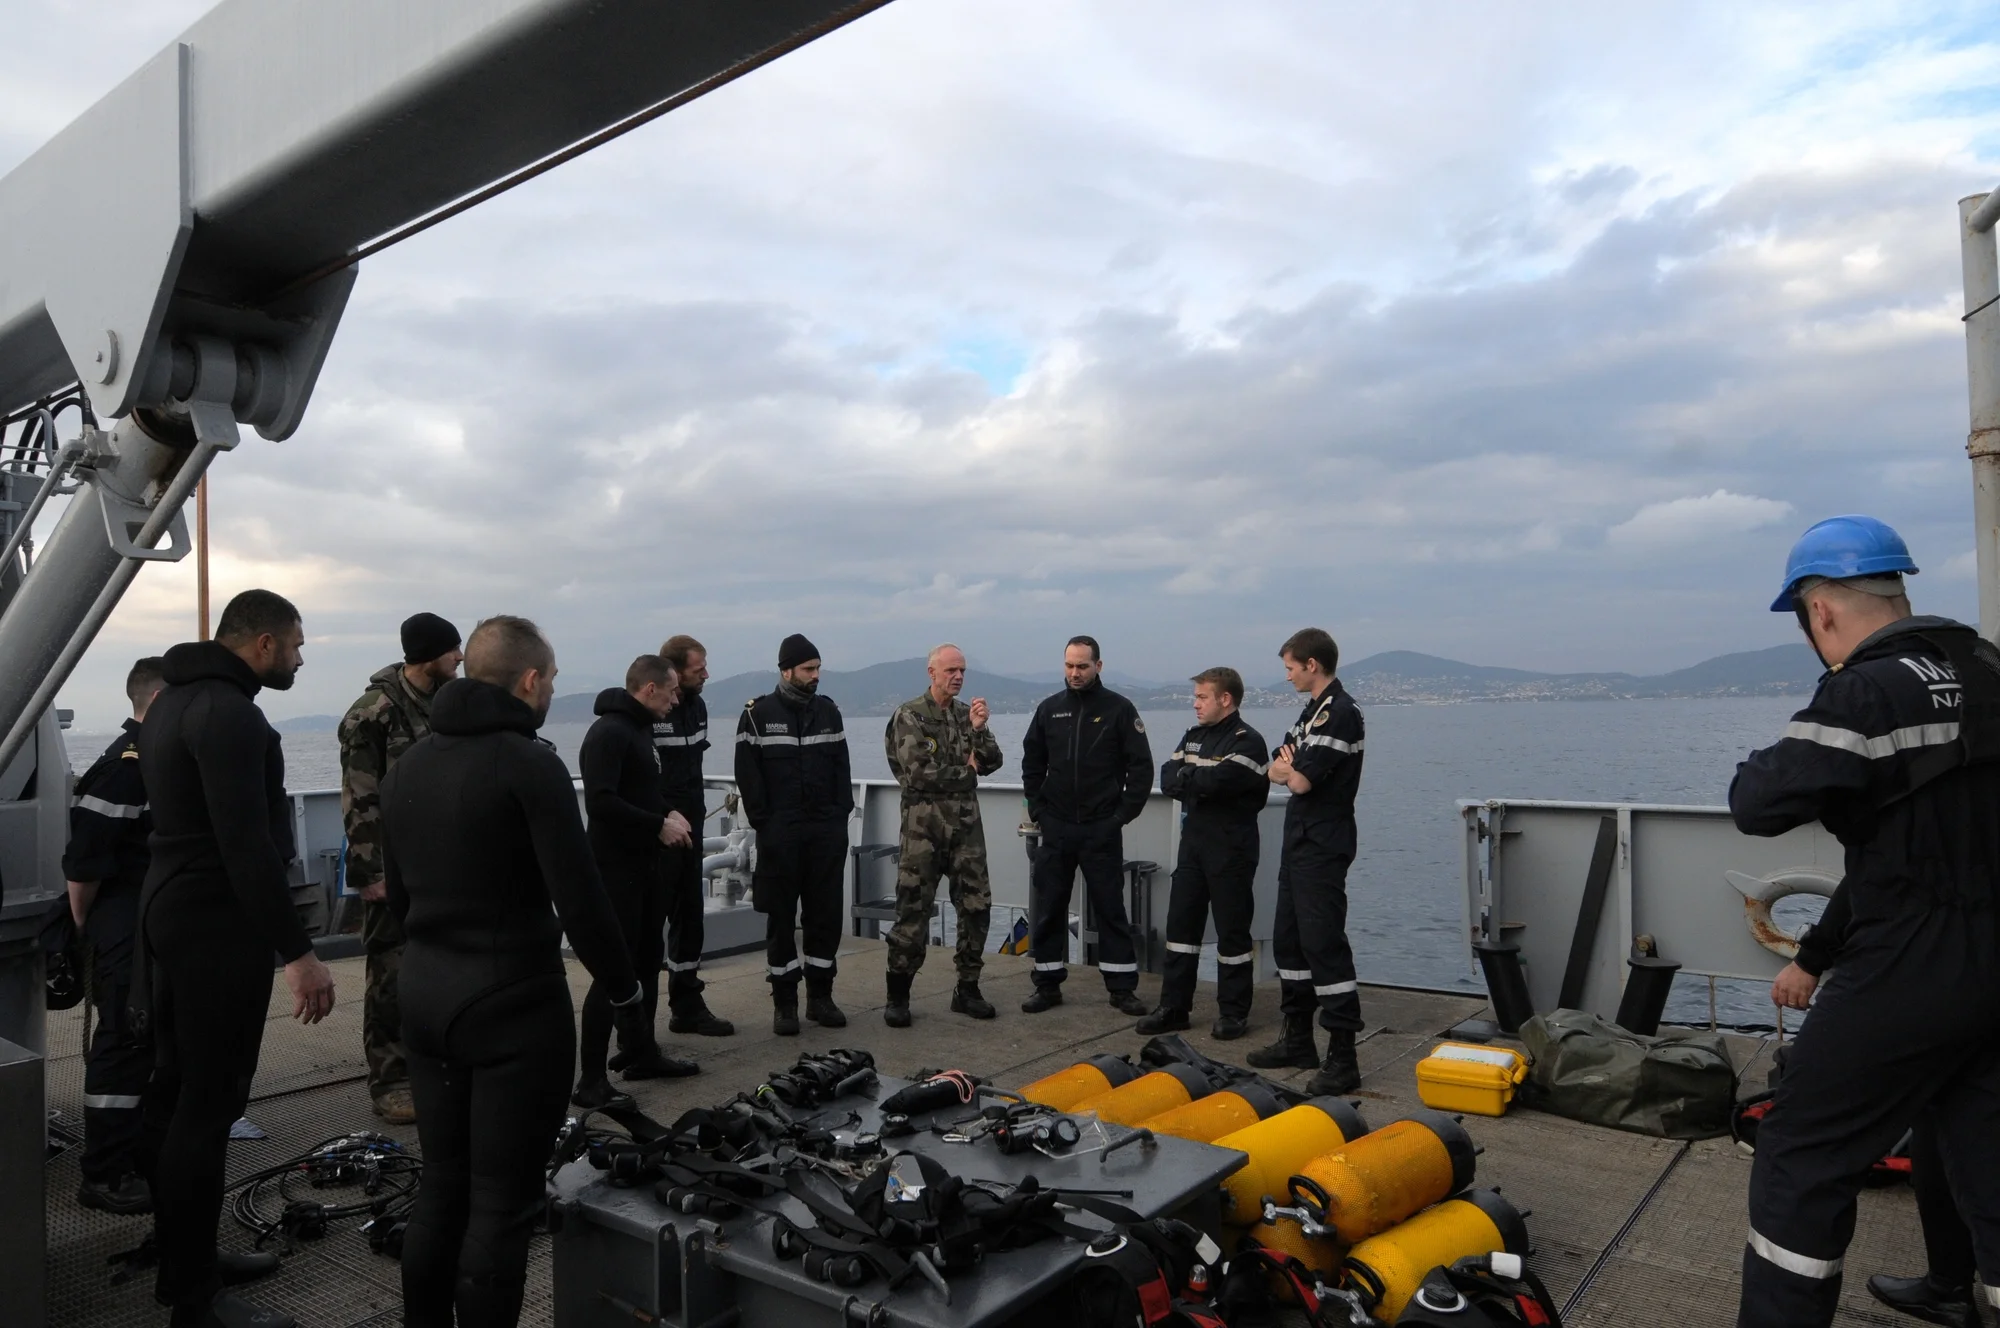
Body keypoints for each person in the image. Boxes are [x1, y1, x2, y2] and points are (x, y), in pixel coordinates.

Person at [1730, 514, 2000, 1327]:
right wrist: (1817, 953)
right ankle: (1966, 1291)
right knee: (1985, 1159)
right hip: (1992, 962)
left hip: (1909, 963)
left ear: (1821, 612)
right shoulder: (1989, 669)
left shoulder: (1865, 688)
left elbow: (1760, 802)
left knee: (1800, 1154)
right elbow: (1915, 843)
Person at [381, 615, 649, 1328]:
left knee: (442, 1187)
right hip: (511, 1004)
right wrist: (624, 987)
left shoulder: (408, 765)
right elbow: (581, 896)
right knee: (502, 1203)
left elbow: (399, 897)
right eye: (552, 680)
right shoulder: (530, 765)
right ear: (530, 680)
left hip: (426, 993)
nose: (552, 691)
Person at [139, 589, 337, 1328]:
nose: (299, 656)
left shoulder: (168, 704)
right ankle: (195, 1304)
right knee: (207, 1106)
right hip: (214, 924)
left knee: (172, 1096)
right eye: (293, 643)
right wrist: (299, 952)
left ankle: (183, 1259)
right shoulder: (230, 715)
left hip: (169, 912)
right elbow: (245, 846)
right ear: (260, 644)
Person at [1779, 892, 1981, 1328]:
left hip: (1933, 976)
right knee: (1953, 1127)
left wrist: (1810, 959)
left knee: (1804, 1141)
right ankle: (1948, 1286)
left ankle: (1948, 1287)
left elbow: (1873, 875)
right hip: (1976, 980)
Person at [336, 610, 462, 1125]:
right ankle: (390, 1081)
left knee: (440, 968)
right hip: (392, 866)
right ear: (432, 655)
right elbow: (359, 798)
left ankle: (436, 1063)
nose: (461, 659)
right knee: (390, 975)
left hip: (441, 866)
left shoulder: (447, 705)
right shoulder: (374, 712)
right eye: (454, 650)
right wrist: (370, 874)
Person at [63, 657, 165, 1215]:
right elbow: (84, 864)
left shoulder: (151, 759)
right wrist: (88, 930)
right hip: (122, 920)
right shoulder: (127, 766)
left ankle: (136, 1157)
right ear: (154, 699)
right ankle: (104, 1173)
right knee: (124, 1042)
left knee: (144, 1043)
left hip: (144, 919)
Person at [574, 654, 699, 1106]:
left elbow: (641, 792)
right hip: (616, 871)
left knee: (648, 959)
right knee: (615, 970)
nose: (675, 699)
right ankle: (590, 1081)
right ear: (649, 690)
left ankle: (642, 1051)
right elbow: (602, 803)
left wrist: (668, 811)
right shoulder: (609, 733)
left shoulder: (640, 731)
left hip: (647, 868)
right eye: (670, 692)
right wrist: (656, 825)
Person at [1246, 627, 1366, 1096]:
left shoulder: (1341, 713)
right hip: (1298, 840)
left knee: (1324, 944)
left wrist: (1289, 770)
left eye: (1291, 668)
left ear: (1311, 665)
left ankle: (1343, 1056)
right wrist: (1286, 768)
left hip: (1323, 841)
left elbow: (1298, 781)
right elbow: (1276, 764)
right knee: (1290, 943)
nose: (1289, 676)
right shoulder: (1310, 712)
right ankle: (1298, 1038)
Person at [1018, 635, 1153, 1016]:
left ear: (1098, 666)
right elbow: (1032, 764)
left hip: (1101, 829)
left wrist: (1118, 818)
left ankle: (1122, 988)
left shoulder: (1119, 710)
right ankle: (1046, 984)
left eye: (1082, 666)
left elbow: (1141, 770)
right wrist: (1040, 812)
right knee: (1049, 908)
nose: (1074, 673)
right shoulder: (1049, 710)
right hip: (1056, 828)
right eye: (1069, 666)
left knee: (1110, 909)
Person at [1139, 667, 1268, 1040]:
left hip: (1231, 850)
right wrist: (1193, 781)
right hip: (1193, 848)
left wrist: (1189, 780)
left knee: (1232, 935)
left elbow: (1223, 782)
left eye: (1201, 697)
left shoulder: (1248, 741)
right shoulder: (1193, 737)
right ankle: (1174, 1007)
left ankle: (1233, 1013)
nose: (1194, 705)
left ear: (1224, 699)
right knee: (1181, 929)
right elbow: (1167, 775)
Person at [881, 643, 1005, 1027]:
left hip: (966, 829)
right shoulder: (911, 716)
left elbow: (993, 761)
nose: (958, 677)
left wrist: (980, 732)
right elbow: (919, 773)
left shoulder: (967, 715)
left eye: (962, 671)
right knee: (913, 910)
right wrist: (967, 773)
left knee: (976, 906)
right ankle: (898, 995)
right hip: (924, 831)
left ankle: (967, 988)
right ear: (931, 672)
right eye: (951, 670)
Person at [735, 633, 852, 1035]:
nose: (816, 676)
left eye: (818, 668)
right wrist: (767, 825)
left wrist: (839, 819)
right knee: (781, 920)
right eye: (808, 669)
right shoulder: (756, 714)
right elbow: (748, 777)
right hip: (781, 836)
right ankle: (784, 1003)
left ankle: (821, 997)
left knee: (824, 917)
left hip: (824, 835)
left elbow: (841, 771)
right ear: (787, 670)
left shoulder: (829, 713)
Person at [655, 634, 732, 1037]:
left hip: (692, 828)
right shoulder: (650, 712)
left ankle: (686, 1004)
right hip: (657, 835)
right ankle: (634, 1019)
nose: (706, 674)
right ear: (674, 672)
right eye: (698, 668)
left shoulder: (698, 707)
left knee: (690, 917)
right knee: (648, 924)